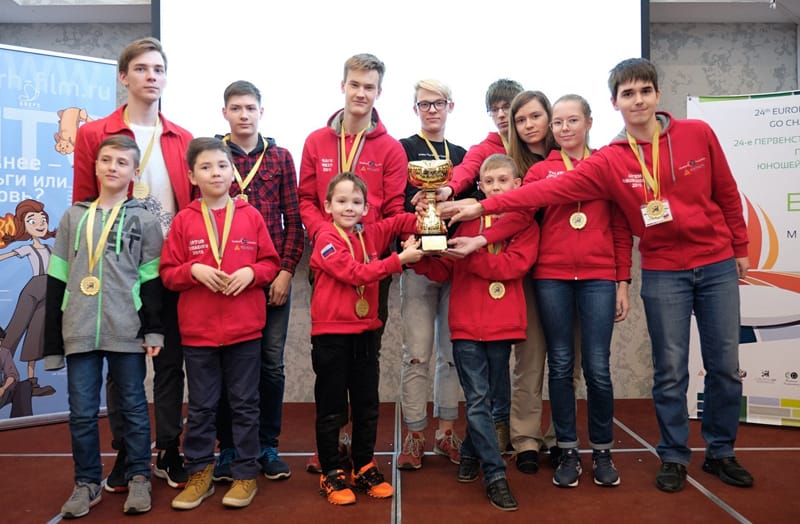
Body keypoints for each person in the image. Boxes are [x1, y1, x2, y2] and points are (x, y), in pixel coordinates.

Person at [442, 57, 754, 494]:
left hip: (714, 261)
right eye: (628, 93)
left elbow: (725, 191)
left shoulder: (697, 133)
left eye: (644, 91)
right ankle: (673, 456)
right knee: (668, 369)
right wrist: (482, 206)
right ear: (615, 102)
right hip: (660, 268)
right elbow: (541, 192)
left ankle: (721, 451)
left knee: (724, 366)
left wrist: (739, 247)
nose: (638, 100)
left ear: (656, 95)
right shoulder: (611, 160)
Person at [71, 36, 193, 491]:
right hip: (115, 270)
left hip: (168, 269)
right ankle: (126, 451)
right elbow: (83, 202)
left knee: (170, 364)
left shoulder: (182, 138)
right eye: (141, 69)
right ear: (124, 77)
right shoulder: (94, 134)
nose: (151, 77)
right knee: (120, 367)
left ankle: (168, 448)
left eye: (158, 69)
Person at [44, 135, 164, 518]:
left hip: (126, 330)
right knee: (81, 413)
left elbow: (151, 281)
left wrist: (154, 330)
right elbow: (57, 279)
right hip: (78, 329)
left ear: (134, 172)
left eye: (122, 162)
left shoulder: (145, 220)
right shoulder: (73, 217)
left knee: (133, 407)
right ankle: (87, 482)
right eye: (107, 160)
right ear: (95, 167)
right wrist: (52, 342)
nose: (113, 167)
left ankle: (139, 477)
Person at [298, 52, 406, 473]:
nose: (361, 93)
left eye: (369, 87)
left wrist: (379, 245)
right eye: (355, 84)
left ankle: (355, 447)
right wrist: (326, 234)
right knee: (331, 361)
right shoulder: (315, 142)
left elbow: (395, 209)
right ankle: (331, 444)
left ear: (379, 92)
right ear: (343, 86)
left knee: (363, 361)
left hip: (372, 267)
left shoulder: (391, 148)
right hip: (328, 262)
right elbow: (306, 200)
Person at [411, 154, 538, 512]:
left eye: (503, 180)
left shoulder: (524, 223)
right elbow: (444, 272)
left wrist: (471, 257)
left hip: (502, 323)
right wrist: (425, 257)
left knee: (495, 398)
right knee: (479, 398)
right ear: (479, 186)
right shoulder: (465, 220)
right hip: (465, 324)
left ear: (517, 185)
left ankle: (469, 452)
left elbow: (515, 266)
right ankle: (495, 474)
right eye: (489, 182)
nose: (496, 187)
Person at [161, 137, 280, 510]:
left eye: (222, 165)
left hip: (245, 331)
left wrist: (252, 272)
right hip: (198, 334)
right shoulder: (184, 220)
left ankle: (245, 474)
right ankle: (199, 471)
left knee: (245, 404)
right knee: (201, 407)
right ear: (192, 176)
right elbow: (168, 273)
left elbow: (270, 263)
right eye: (206, 167)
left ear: (233, 172)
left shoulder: (250, 215)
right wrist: (192, 270)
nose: (215, 173)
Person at [527, 93, 633, 487]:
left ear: (589, 122)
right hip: (551, 276)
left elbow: (621, 229)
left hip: (599, 278)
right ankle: (568, 449)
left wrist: (622, 282)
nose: (564, 128)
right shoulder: (541, 171)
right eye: (557, 122)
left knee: (598, 367)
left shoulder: (607, 166)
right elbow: (520, 217)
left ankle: (602, 451)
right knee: (559, 364)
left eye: (572, 120)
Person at [210, 80, 304, 483]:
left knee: (270, 364)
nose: (244, 115)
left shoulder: (280, 157)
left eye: (250, 108)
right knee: (226, 365)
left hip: (271, 279)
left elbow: (293, 220)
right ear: (225, 113)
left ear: (261, 112)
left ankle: (267, 445)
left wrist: (286, 271)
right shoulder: (213, 155)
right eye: (236, 108)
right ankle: (229, 448)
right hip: (225, 280)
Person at [311, 172, 423, 505]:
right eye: (341, 201)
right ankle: (331, 471)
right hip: (331, 336)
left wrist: (427, 210)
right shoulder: (325, 237)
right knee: (332, 407)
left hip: (364, 332)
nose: (349, 207)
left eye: (356, 202)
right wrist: (398, 260)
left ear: (366, 208)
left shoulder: (368, 233)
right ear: (327, 206)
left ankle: (363, 464)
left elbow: (399, 221)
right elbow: (354, 273)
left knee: (366, 405)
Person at [396, 79, 467, 471]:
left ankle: (446, 433)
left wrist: (451, 202)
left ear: (450, 106)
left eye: (439, 103)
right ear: (415, 109)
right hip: (418, 264)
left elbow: (475, 204)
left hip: (455, 263)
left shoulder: (461, 156)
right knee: (417, 354)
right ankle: (414, 435)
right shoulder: (402, 150)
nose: (432, 110)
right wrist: (414, 206)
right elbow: (392, 205)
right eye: (424, 104)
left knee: (451, 354)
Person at [0, 199, 57, 397]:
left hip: (49, 289)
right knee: (15, 330)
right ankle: (5, 377)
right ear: (23, 226)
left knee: (36, 335)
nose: (40, 224)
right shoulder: (27, 248)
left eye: (43, 220)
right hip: (32, 289)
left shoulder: (51, 248)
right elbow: (6, 256)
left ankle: (31, 382)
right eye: (32, 220)